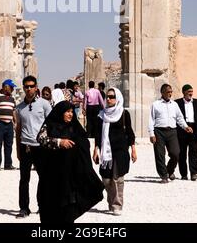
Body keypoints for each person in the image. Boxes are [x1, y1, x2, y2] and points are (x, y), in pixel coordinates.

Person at [36, 100, 104, 223]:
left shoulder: (75, 127)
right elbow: (41, 138)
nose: (70, 114)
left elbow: (83, 142)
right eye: (67, 111)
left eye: (72, 111)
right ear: (60, 112)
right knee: (50, 207)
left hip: (70, 176)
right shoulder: (50, 124)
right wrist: (59, 142)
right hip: (52, 175)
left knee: (68, 210)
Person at [93, 87, 136, 216]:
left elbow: (130, 132)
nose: (109, 99)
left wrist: (133, 149)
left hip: (120, 150)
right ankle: (111, 200)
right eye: (107, 96)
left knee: (118, 178)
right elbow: (98, 134)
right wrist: (95, 149)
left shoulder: (123, 113)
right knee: (106, 179)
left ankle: (117, 205)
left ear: (117, 98)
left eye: (112, 97)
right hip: (106, 152)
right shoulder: (101, 115)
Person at [15, 75, 51, 218]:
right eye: (26, 86)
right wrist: (18, 149)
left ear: (36, 87)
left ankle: (43, 205)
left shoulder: (44, 104)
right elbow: (18, 129)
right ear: (24, 88)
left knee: (43, 178)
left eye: (31, 86)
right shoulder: (19, 107)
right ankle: (24, 208)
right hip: (26, 146)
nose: (29, 89)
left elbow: (51, 124)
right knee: (24, 179)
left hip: (41, 147)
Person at [148, 83, 193, 183]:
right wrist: (151, 134)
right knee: (160, 155)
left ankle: (169, 170)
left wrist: (186, 127)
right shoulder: (155, 104)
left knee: (176, 153)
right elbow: (151, 120)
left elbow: (179, 118)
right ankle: (164, 176)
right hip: (159, 131)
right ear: (162, 92)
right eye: (168, 92)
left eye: (171, 92)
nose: (170, 94)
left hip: (172, 131)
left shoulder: (174, 105)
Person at [175, 84, 197, 181]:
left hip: (194, 129)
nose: (191, 93)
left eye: (192, 91)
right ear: (184, 92)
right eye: (188, 92)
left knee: (194, 152)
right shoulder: (177, 103)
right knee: (182, 153)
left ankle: (194, 173)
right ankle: (183, 174)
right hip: (182, 130)